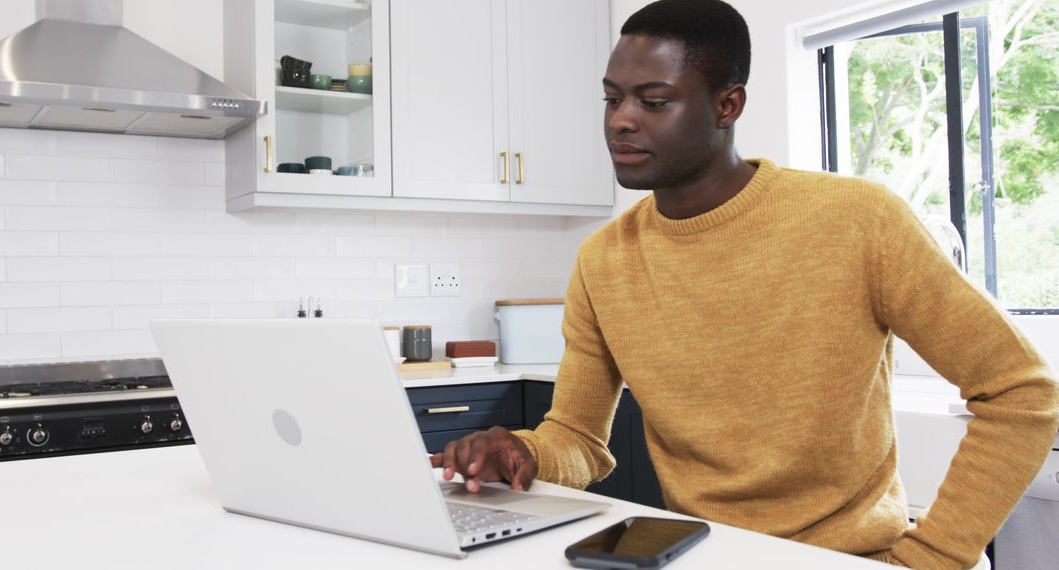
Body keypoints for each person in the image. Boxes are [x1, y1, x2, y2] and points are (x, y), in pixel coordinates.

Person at [430, 0, 1059, 567]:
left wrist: (934, 557)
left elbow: (1023, 394)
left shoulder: (858, 220)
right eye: (611, 97)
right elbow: (577, 438)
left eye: (653, 101)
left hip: (856, 557)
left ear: (727, 105)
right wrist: (525, 452)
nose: (621, 121)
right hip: (705, 554)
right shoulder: (603, 260)